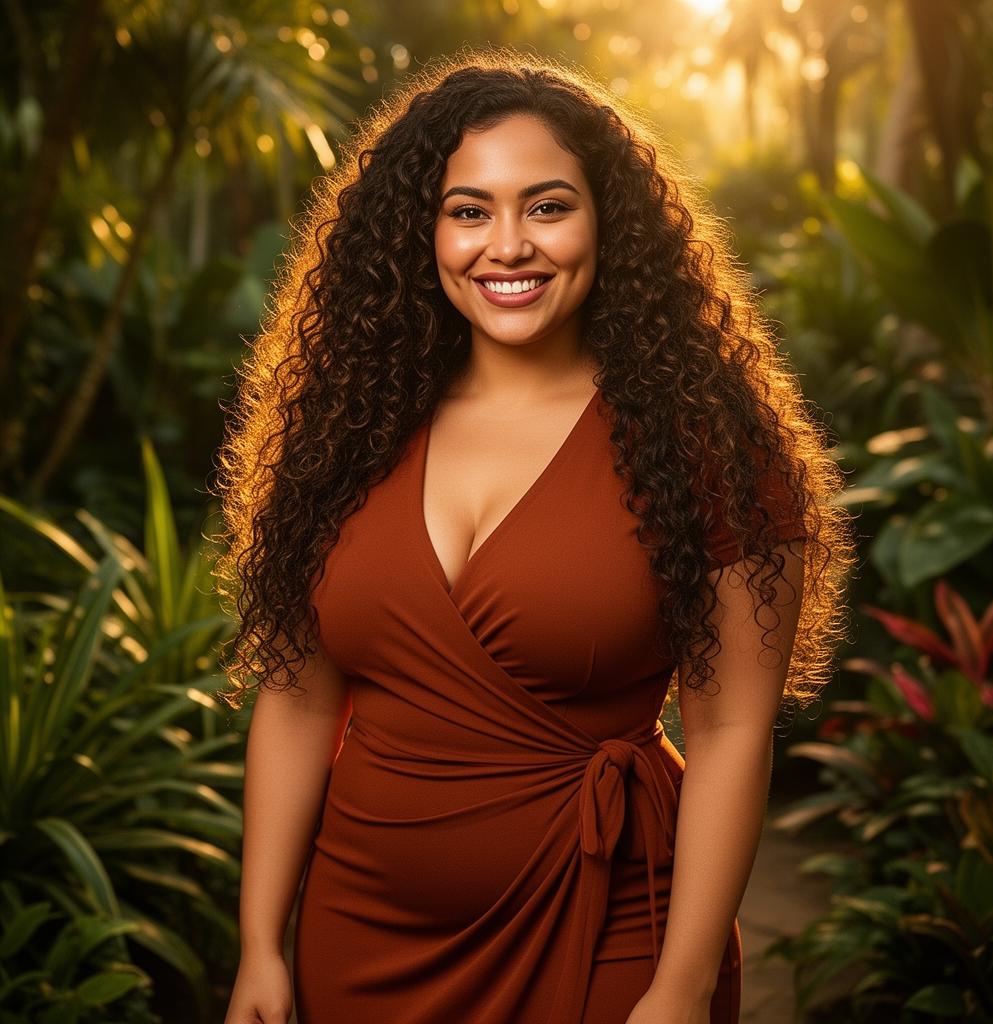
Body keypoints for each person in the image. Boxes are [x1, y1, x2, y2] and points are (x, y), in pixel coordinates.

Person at [215, 49, 854, 1024]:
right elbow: (300, 703)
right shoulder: (347, 428)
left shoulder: (710, 440)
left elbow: (730, 730)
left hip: (612, 925)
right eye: (468, 210)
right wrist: (261, 943)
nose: (505, 245)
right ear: (416, 232)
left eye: (546, 206)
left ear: (610, 222)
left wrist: (678, 988)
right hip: (359, 936)